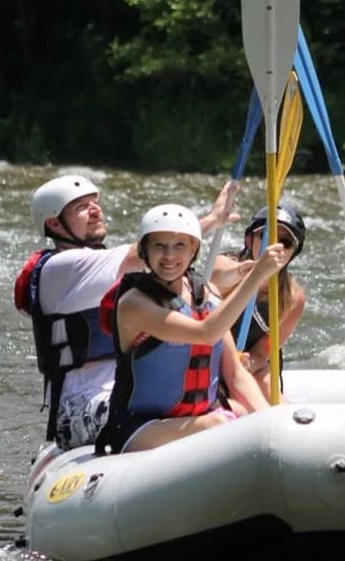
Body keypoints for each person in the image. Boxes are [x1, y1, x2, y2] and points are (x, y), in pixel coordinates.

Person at [13, 174, 239, 450]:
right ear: (54, 223)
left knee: (226, 405)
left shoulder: (102, 269)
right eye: (80, 207)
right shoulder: (62, 267)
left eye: (94, 202)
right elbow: (146, 254)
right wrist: (211, 219)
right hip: (81, 406)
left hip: (129, 392)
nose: (95, 210)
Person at [93, 203, 290, 455]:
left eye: (179, 246)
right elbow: (206, 334)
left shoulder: (206, 294)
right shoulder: (134, 303)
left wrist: (273, 423)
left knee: (244, 414)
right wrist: (256, 277)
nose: (169, 256)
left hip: (197, 419)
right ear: (144, 250)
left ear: (194, 249)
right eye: (159, 246)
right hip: (140, 426)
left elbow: (236, 375)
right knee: (221, 422)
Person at [209, 205, 307, 400]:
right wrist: (253, 274)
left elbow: (265, 349)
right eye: (267, 237)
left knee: (266, 383)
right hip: (211, 353)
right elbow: (218, 277)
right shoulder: (225, 264)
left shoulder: (293, 298)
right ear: (249, 240)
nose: (275, 246)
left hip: (248, 362)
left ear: (292, 253)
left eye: (285, 242)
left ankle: (280, 420)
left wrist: (248, 363)